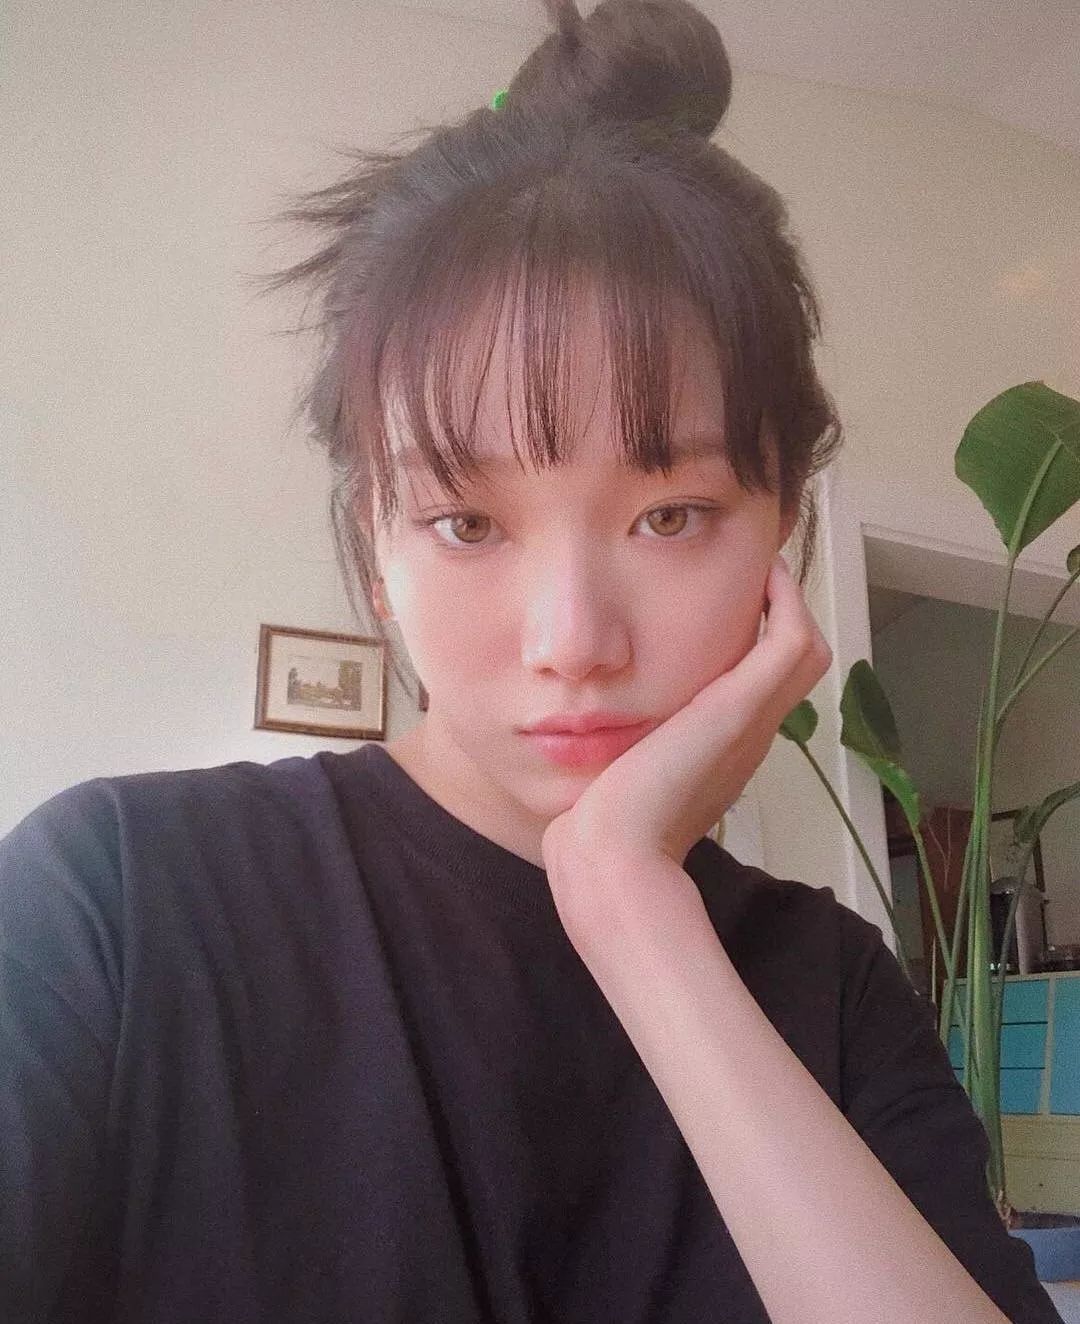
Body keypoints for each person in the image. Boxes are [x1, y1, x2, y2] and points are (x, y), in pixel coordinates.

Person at [0, 1, 1064, 1321]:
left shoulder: (837, 991)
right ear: (377, 547)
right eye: (466, 522)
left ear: (782, 530)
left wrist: (630, 905)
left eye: (672, 516)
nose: (572, 643)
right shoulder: (112, 904)